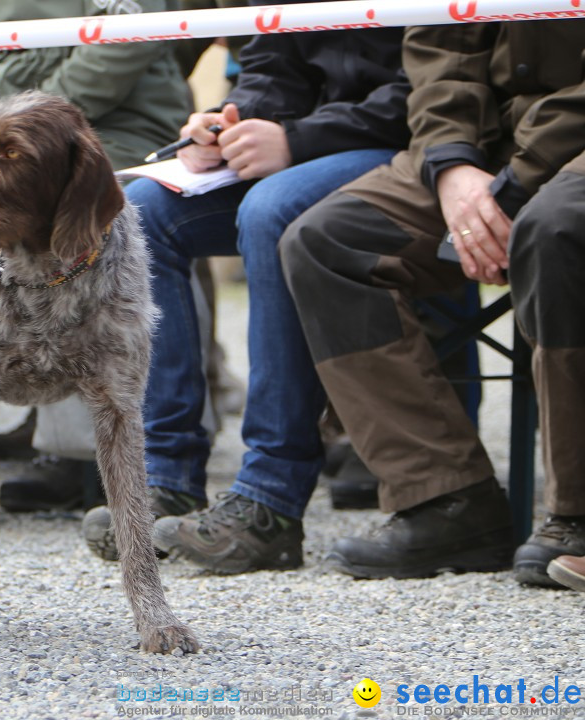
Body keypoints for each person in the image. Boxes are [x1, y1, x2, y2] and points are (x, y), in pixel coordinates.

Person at [81, 0, 412, 565]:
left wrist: (296, 140)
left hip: (407, 146)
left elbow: (428, 89)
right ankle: (163, 477)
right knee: (140, 209)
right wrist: (225, 123)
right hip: (311, 142)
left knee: (268, 210)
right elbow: (269, 69)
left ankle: (270, 501)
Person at [279, 23, 585, 584]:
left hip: (567, 145)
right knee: (328, 241)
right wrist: (450, 164)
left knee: (558, 228)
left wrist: (517, 183)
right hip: (487, 149)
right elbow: (440, 50)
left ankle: (577, 516)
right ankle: (447, 500)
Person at [0, 0, 194, 515]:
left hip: (107, 126)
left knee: (119, 219)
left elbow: (121, 44)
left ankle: (129, 454)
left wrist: (27, 125)